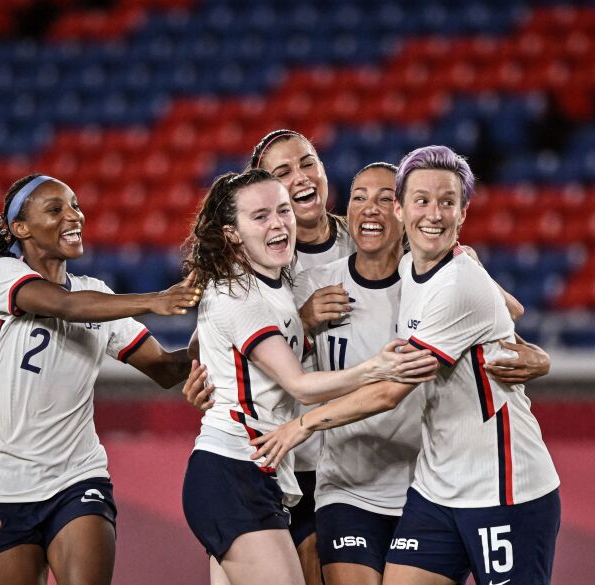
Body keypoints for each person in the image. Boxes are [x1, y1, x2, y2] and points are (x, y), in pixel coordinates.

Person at [250, 146, 561, 585]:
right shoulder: (409, 268)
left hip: (499, 484)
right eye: (421, 201)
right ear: (404, 208)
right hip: (428, 488)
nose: (432, 214)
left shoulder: (455, 281)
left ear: (463, 212)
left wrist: (303, 425)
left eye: (447, 203)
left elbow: (392, 388)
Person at [180, 168, 438, 585]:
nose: (278, 222)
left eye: (283, 211)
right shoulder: (240, 294)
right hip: (233, 470)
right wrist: (378, 366)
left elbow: (213, 348)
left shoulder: (276, 283)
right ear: (231, 233)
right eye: (260, 216)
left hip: (251, 472)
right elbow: (298, 383)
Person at [0, 173, 201, 585]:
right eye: (56, 209)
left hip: (77, 477)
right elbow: (65, 305)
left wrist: (223, 336)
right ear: (20, 229)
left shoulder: (97, 295)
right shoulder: (1, 276)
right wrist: (155, 300)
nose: (75, 215)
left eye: (75, 205)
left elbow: (166, 370)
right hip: (3, 484)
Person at [247, 128, 355, 583]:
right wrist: (302, 322)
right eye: (283, 172)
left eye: (308, 162)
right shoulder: (257, 262)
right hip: (302, 460)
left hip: (376, 456)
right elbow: (218, 349)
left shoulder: (373, 238)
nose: (301, 177)